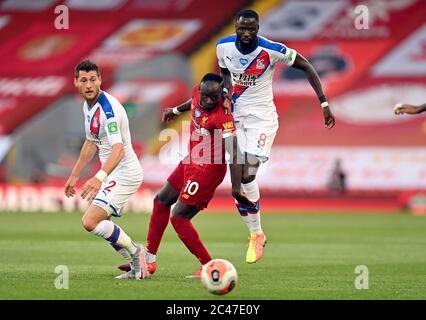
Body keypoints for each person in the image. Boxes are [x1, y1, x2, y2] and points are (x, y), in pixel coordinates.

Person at [161, 9, 336, 264]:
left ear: (257, 28)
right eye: (242, 28)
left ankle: (252, 222)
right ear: (235, 27)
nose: (246, 33)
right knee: (241, 180)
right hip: (235, 117)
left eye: (251, 29)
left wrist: (323, 103)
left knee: (247, 175)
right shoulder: (223, 47)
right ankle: (256, 234)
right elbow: (223, 76)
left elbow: (307, 66)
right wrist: (216, 98)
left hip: (262, 120)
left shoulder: (271, 50)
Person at [119, 73, 253, 278]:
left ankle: (209, 266)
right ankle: (150, 260)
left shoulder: (223, 116)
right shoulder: (197, 94)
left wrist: (236, 188)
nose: (208, 101)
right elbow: (193, 103)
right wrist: (174, 110)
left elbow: (234, 153)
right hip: (191, 161)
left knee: (179, 217)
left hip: (209, 169)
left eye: (214, 98)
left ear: (220, 96)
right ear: (200, 91)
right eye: (205, 96)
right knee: (161, 201)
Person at [65, 60, 148, 280]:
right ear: (76, 83)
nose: (89, 84)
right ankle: (136, 261)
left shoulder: (108, 110)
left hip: (125, 172)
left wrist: (99, 177)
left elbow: (118, 150)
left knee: (90, 222)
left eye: (93, 79)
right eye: (84, 80)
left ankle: (136, 253)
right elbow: (91, 141)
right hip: (114, 172)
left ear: (100, 80)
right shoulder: (88, 106)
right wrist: (74, 174)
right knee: (101, 223)